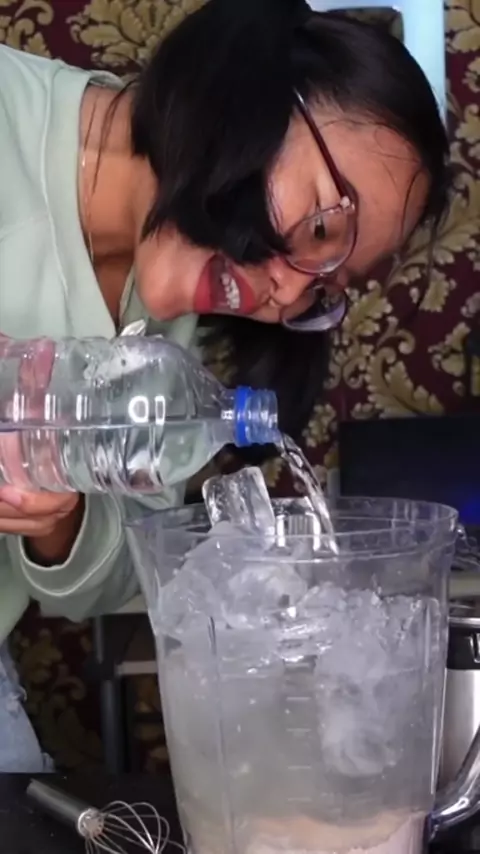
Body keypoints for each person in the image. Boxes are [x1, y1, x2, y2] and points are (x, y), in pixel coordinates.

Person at [0, 0, 449, 770]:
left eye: (326, 288)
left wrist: (58, 512)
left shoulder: (168, 347)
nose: (289, 293)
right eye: (320, 229)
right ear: (242, 88)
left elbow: (94, 589)